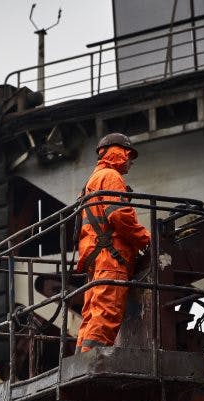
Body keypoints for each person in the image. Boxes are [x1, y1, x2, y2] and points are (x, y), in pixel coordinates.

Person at [75, 133, 151, 353]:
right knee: (106, 312)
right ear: (120, 153)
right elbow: (119, 216)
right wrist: (146, 238)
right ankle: (91, 362)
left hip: (96, 256)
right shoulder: (111, 177)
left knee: (91, 313)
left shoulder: (91, 181)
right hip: (111, 258)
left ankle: (81, 359)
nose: (131, 162)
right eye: (129, 156)